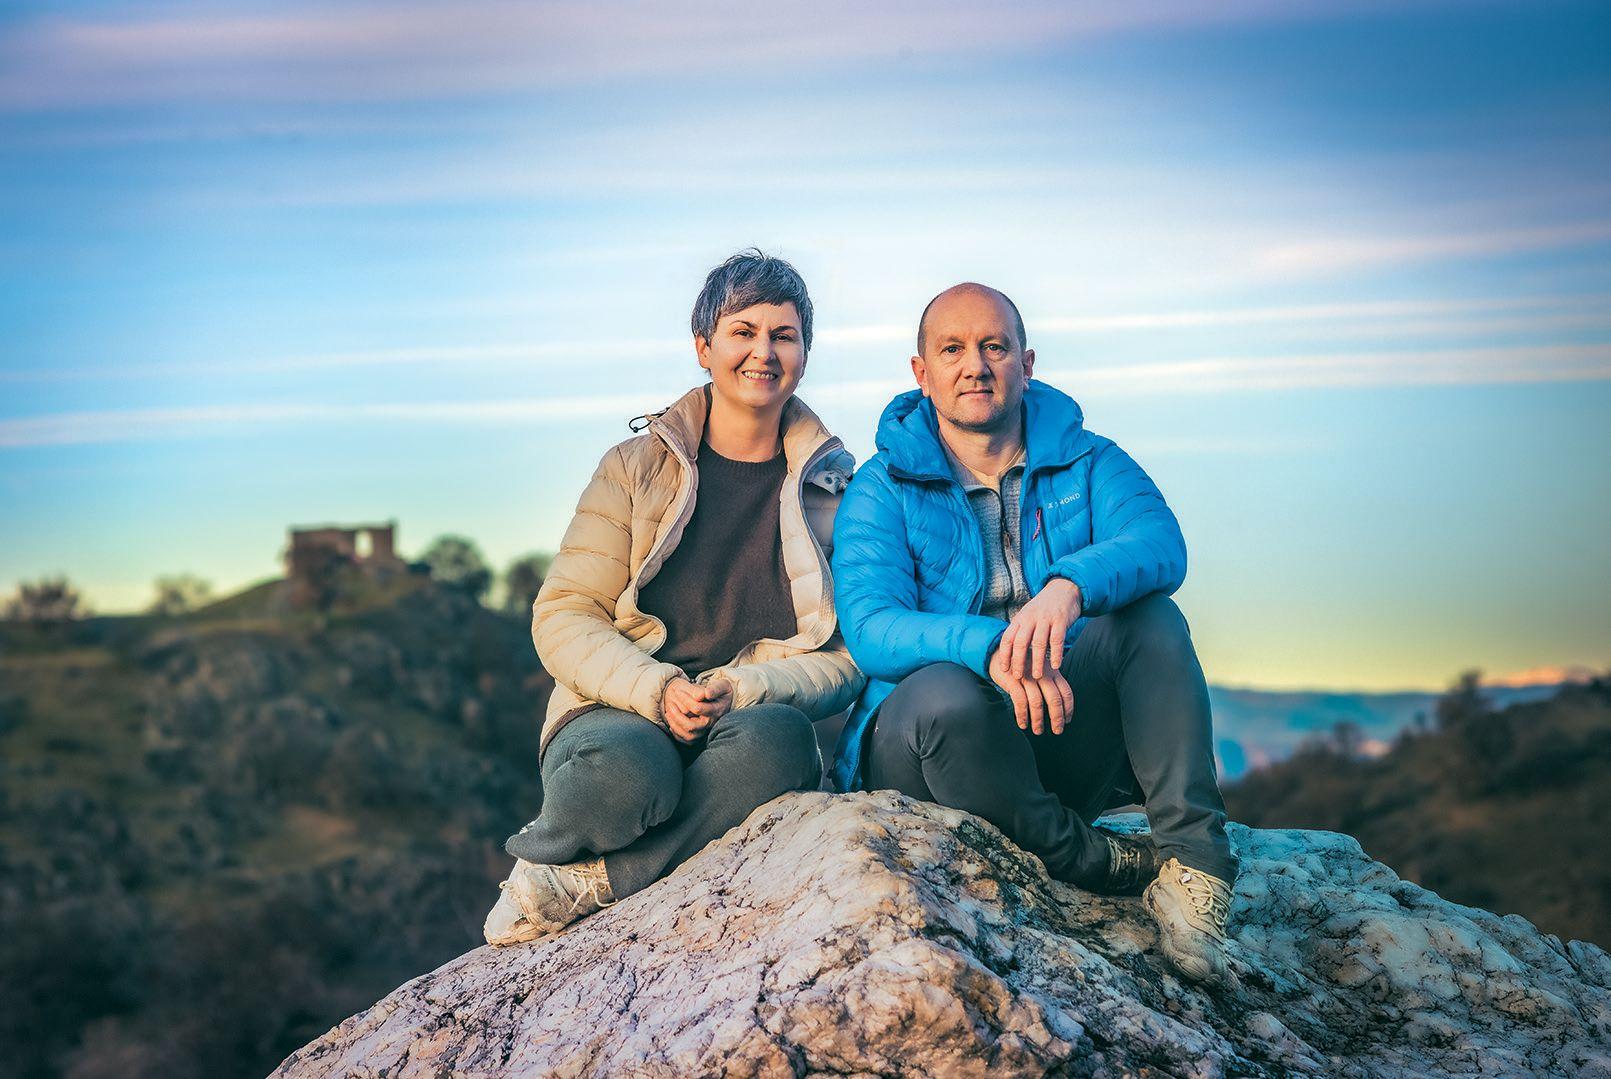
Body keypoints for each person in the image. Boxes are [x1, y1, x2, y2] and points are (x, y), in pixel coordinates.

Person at [829, 282, 1238, 984]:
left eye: (994, 346)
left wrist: (1066, 588)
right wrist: (990, 646)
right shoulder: (881, 485)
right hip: (933, 754)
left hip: (1054, 728)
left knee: (1150, 617)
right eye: (951, 348)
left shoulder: (1089, 459)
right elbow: (870, 628)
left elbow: (1158, 541)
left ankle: (1192, 870)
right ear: (920, 373)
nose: (975, 365)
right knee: (943, 694)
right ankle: (1084, 858)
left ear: (1026, 361)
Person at [483, 250, 864, 945]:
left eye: (783, 334)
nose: (763, 351)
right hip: (618, 706)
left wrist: (744, 686)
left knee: (782, 749)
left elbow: (847, 653)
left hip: (743, 718)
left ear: (805, 353)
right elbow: (564, 613)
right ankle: (612, 840)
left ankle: (586, 880)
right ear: (703, 347)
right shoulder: (633, 468)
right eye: (742, 331)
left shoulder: (840, 491)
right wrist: (657, 690)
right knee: (619, 777)